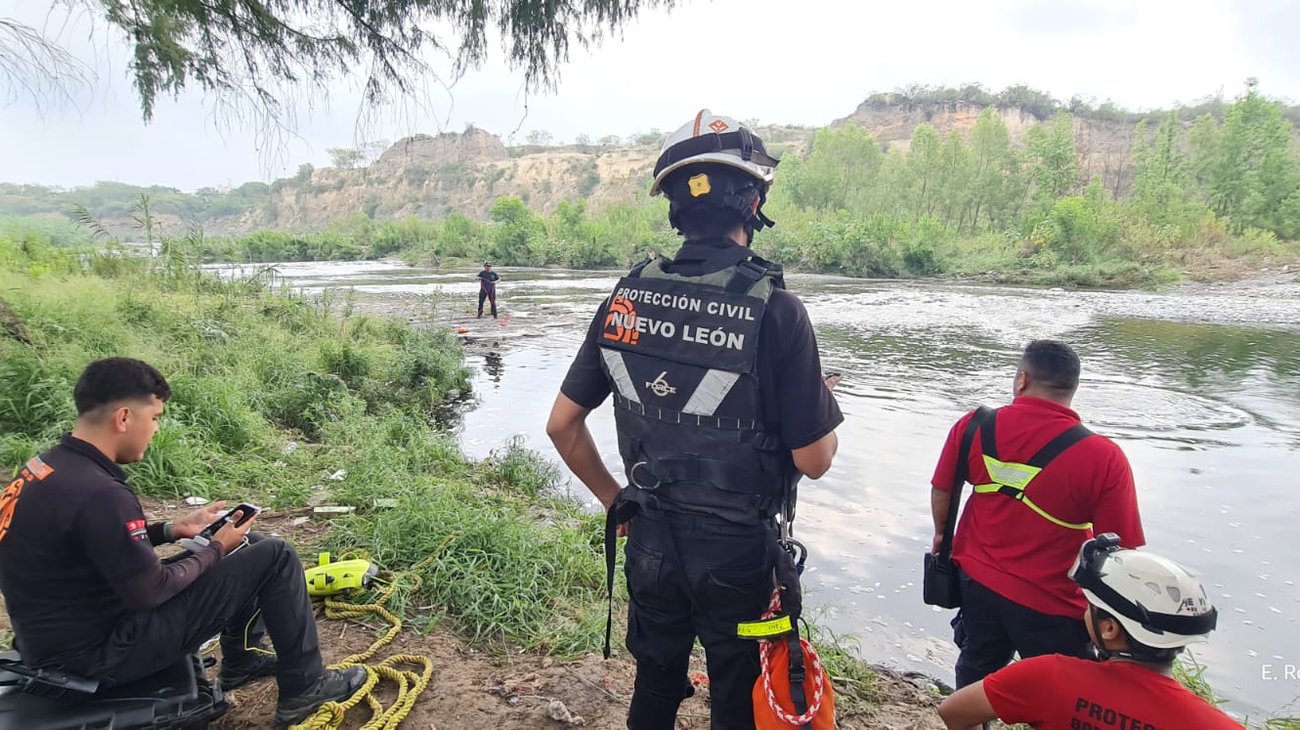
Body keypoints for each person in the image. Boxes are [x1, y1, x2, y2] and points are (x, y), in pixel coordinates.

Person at [546, 110, 842, 730]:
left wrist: (614, 499)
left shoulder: (626, 296)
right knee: (735, 695)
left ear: (675, 208)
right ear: (754, 201)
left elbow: (562, 426)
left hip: (650, 536)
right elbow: (813, 461)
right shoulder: (778, 310)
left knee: (655, 684)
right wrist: (813, 395)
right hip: (737, 551)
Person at [0, 358, 364, 725]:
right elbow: (152, 591)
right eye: (155, 417)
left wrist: (171, 530)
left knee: (249, 544)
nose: (155, 429)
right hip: (101, 654)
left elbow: (88, 542)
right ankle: (306, 688)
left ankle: (241, 661)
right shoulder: (101, 492)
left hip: (54, 641)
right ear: (124, 418)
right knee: (276, 555)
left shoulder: (42, 469)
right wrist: (217, 546)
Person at [929, 340, 1145, 691]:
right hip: (1055, 602)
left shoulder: (973, 426)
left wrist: (942, 535)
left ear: (1022, 380)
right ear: (1073, 388)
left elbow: (943, 489)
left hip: (976, 581)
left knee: (976, 668)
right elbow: (1121, 551)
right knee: (1060, 692)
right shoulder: (1104, 456)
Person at [937, 534, 1243, 729]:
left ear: (1109, 628)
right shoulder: (1211, 723)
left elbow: (953, 712)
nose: (1085, 610)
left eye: (1091, 605)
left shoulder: (1046, 677)